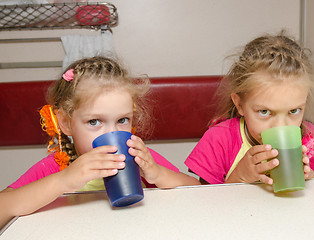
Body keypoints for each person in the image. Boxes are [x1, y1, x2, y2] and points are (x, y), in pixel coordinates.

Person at [0, 56, 200, 229]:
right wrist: (63, 181)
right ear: (65, 123)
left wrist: (157, 173)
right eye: (94, 122)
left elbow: (197, 191)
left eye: (122, 120)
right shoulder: (58, 167)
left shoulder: (139, 159)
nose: (112, 133)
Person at [185, 32, 314, 185]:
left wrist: (312, 183)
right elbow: (207, 203)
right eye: (264, 112)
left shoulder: (313, 141)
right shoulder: (219, 141)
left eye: (293, 111)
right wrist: (239, 177)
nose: (280, 126)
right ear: (239, 104)